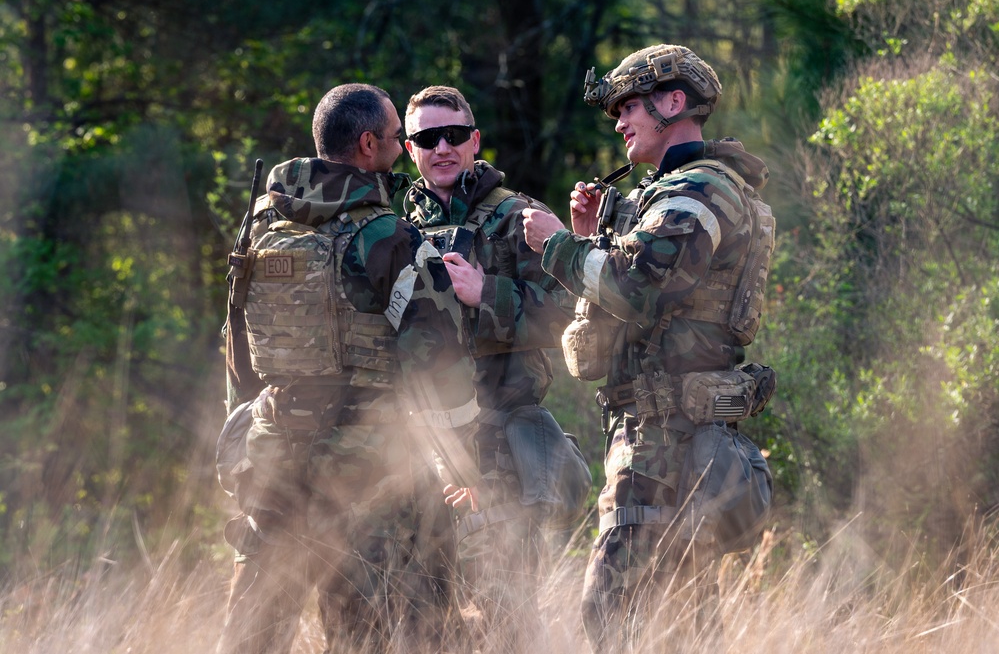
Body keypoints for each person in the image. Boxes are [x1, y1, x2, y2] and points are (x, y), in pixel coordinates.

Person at [523, 44, 775, 649]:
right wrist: (590, 238)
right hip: (661, 434)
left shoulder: (697, 191)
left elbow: (641, 290)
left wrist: (560, 246)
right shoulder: (674, 192)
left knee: (613, 611)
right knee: (680, 620)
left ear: (673, 102)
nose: (619, 122)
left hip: (664, 444)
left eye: (630, 105)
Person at [216, 82, 480, 654]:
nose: (400, 146)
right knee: (360, 634)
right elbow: (438, 359)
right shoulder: (390, 237)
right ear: (368, 145)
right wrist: (463, 457)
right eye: (395, 138)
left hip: (275, 451)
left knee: (253, 631)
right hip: (365, 469)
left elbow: (238, 347)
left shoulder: (264, 230)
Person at [401, 85, 579, 652]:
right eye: (428, 139)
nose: (443, 148)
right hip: (420, 448)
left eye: (455, 135)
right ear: (411, 149)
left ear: (475, 141)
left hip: (499, 442)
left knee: (505, 609)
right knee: (423, 613)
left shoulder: (519, 217)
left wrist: (490, 294)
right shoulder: (393, 225)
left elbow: (572, 312)